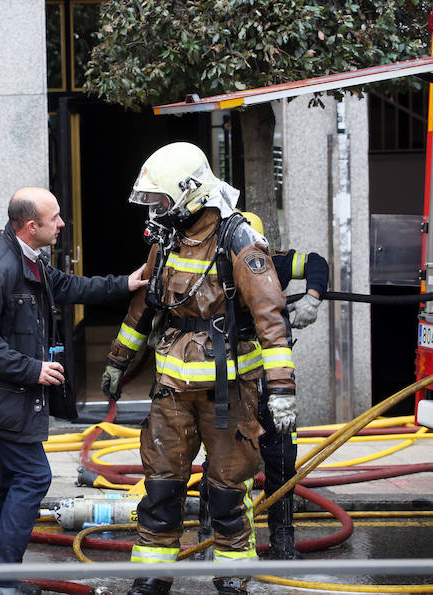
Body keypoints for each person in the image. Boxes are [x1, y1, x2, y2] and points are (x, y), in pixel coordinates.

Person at [100, 143, 295, 595]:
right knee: (161, 487)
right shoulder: (166, 240)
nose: (157, 210)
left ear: (189, 193)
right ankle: (153, 574)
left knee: (228, 491)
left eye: (162, 200)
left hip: (228, 396)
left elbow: (270, 314)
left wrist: (281, 387)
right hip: (171, 392)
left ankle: (232, 574)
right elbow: (143, 309)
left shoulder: (239, 239)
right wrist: (117, 361)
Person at [0, 186, 145, 595]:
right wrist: (32, 370)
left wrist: (125, 283)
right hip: (0, 399)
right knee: (34, 475)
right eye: (54, 218)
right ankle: (0, 579)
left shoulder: (28, 259)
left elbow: (68, 286)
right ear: (29, 226)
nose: (61, 224)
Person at [194, 211, 329, 561]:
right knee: (221, 459)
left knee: (281, 456)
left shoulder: (274, 263)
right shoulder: (215, 270)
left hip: (272, 380)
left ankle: (283, 540)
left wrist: (313, 296)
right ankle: (208, 536)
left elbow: (316, 262)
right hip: (231, 381)